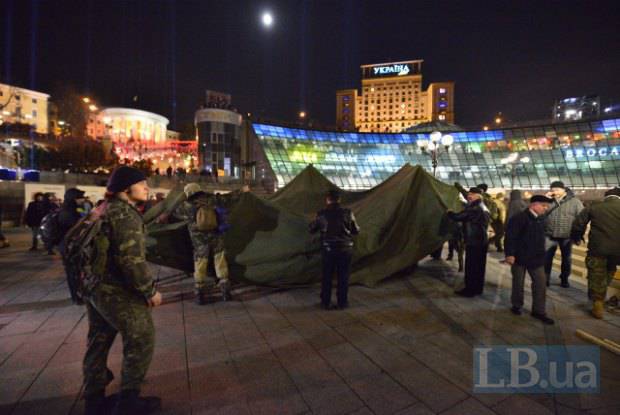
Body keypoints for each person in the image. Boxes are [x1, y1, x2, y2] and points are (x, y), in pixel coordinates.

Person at [82, 165, 162, 415]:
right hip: (115, 290)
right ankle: (129, 403)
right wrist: (149, 291)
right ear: (127, 189)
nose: (147, 187)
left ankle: (93, 401)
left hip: (94, 287)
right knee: (142, 337)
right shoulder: (124, 215)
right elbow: (132, 260)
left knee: (99, 341)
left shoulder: (102, 210)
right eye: (142, 183)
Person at [174, 183, 232, 305]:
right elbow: (226, 200)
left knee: (200, 264)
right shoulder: (212, 200)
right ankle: (225, 291)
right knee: (220, 260)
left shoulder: (186, 205)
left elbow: (176, 214)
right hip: (216, 236)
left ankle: (200, 293)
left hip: (199, 240)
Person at [571, 187, 620, 319]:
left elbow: (578, 223)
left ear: (606, 197)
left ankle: (598, 302)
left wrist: (577, 237)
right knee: (610, 271)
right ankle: (601, 296)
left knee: (596, 274)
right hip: (617, 252)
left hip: (598, 249)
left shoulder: (595, 206)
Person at [505, 195, 555, 325]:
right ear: (533, 205)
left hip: (536, 258)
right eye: (543, 206)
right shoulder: (519, 218)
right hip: (519, 257)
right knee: (518, 283)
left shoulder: (542, 219)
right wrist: (510, 254)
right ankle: (517, 305)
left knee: (540, 284)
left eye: (547, 206)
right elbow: (510, 237)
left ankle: (539, 311)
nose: (546, 208)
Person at [309, 190, 360, 310]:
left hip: (328, 249)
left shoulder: (322, 214)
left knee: (327, 276)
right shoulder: (348, 213)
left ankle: (325, 302)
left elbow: (311, 229)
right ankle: (342, 302)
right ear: (339, 200)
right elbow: (356, 230)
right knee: (343, 276)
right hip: (346, 249)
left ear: (327, 200)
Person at [447, 187, 490, 297]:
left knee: (471, 267)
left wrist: (450, 213)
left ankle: (469, 290)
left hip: (474, 241)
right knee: (479, 267)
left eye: (472, 194)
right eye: (469, 194)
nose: (469, 196)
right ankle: (477, 288)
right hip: (482, 241)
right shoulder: (483, 206)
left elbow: (459, 217)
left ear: (478, 196)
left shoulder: (474, 208)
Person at [543, 181, 584, 288]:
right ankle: (545, 278)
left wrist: (578, 235)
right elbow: (539, 213)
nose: (554, 192)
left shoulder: (575, 202)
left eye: (557, 190)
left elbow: (581, 219)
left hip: (567, 235)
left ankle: (564, 278)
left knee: (566, 259)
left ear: (564, 190)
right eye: (552, 190)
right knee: (546, 258)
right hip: (550, 234)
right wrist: (545, 200)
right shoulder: (549, 201)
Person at [58, 188, 87, 303]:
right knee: (72, 272)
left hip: (71, 245)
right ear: (73, 199)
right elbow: (74, 229)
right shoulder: (69, 212)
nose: (82, 200)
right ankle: (76, 297)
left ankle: (78, 294)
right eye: (80, 197)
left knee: (76, 271)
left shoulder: (72, 209)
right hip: (69, 247)